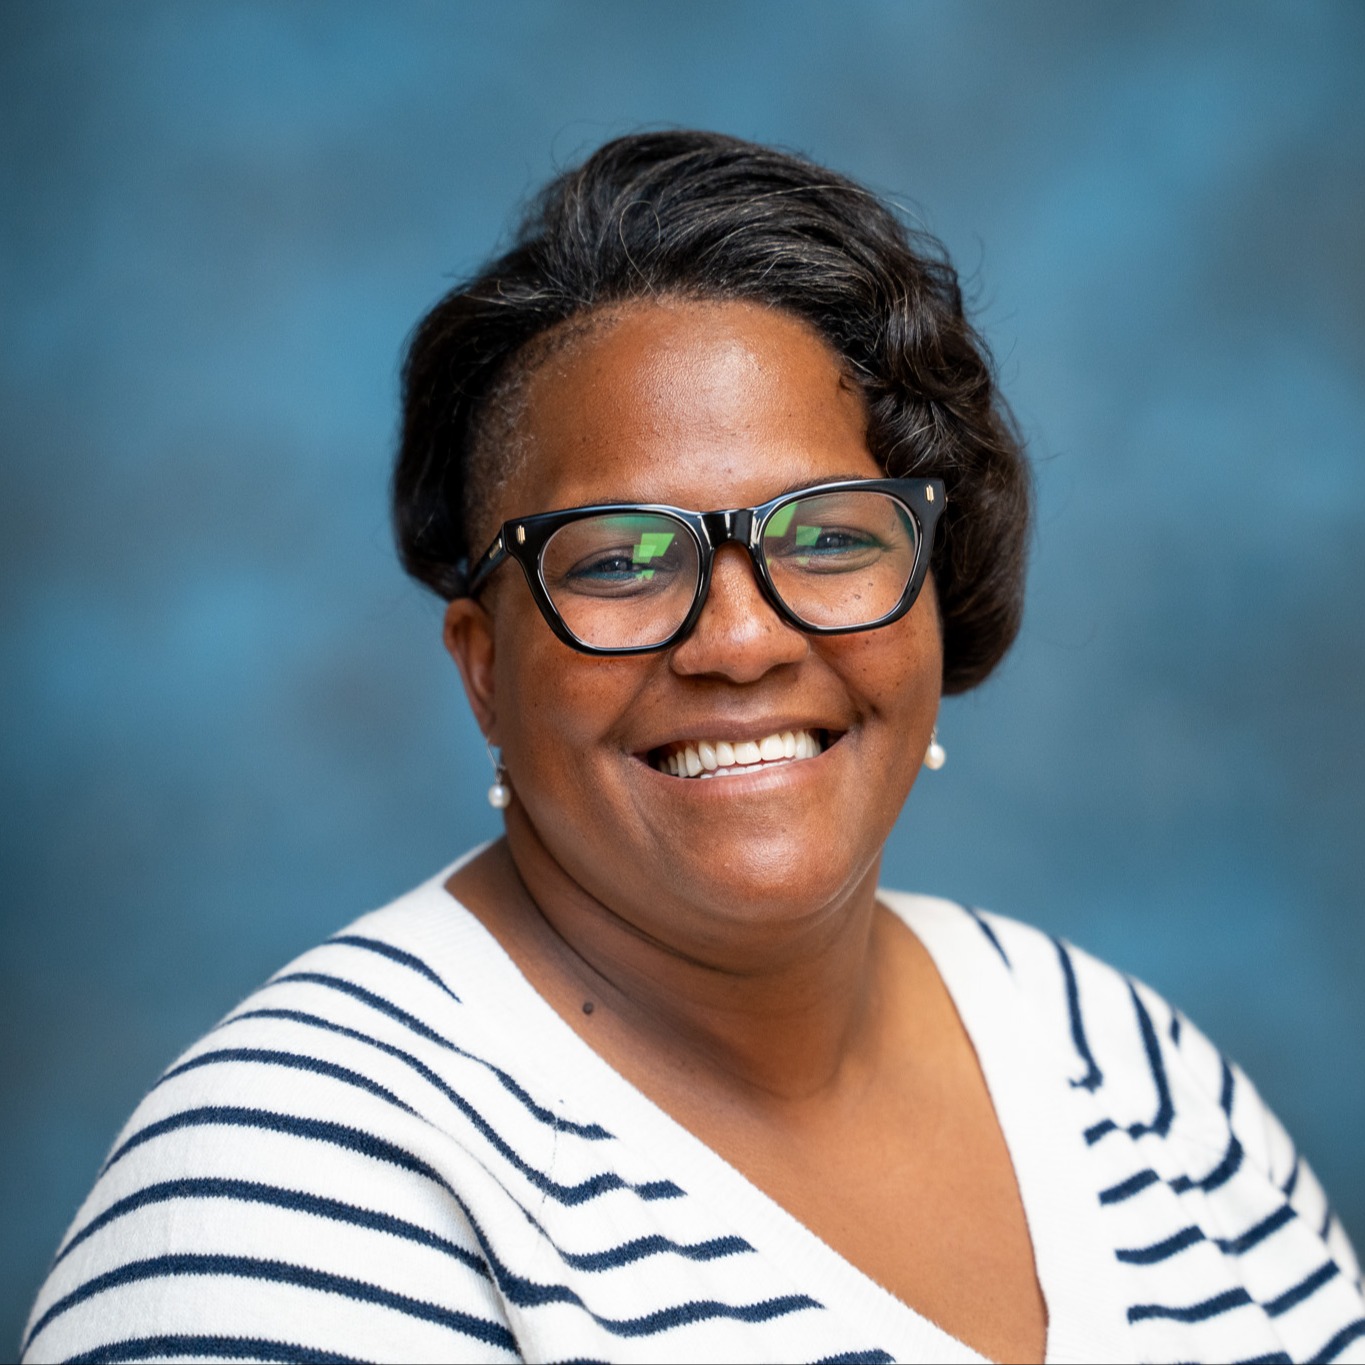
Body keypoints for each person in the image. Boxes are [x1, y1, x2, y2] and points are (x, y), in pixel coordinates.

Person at [23, 131, 1364, 1365]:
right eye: (615, 559)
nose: (738, 640)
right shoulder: (301, 1192)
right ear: (483, 667)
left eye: (830, 535)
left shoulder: (1131, 1070)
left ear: (932, 600)